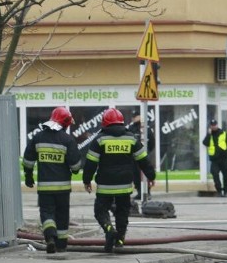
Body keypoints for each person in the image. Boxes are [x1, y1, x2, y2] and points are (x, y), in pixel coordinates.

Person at [83, 108, 156, 252]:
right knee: (122, 213)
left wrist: (87, 180)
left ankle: (109, 229)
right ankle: (120, 240)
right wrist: (151, 176)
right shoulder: (131, 139)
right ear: (122, 122)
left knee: (100, 211)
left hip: (105, 185)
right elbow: (144, 160)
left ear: (105, 123)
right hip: (124, 185)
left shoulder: (100, 139)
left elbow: (91, 163)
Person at [22, 106, 82, 253]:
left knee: (47, 213)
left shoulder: (38, 137)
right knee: (62, 215)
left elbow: (28, 161)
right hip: (63, 189)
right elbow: (75, 167)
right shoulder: (67, 140)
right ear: (65, 123)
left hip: (45, 188)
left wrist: (29, 177)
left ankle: (50, 237)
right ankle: (61, 245)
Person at [127, 110, 155, 200]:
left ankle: (147, 192)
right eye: (134, 117)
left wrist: (147, 152)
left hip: (144, 155)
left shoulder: (146, 128)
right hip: (134, 156)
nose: (134, 118)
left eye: (136, 116)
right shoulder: (131, 128)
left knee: (146, 174)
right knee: (136, 175)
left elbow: (152, 142)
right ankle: (139, 192)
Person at [202, 118, 227, 197]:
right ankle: (219, 190)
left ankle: (226, 191)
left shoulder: (223, 133)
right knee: (215, 174)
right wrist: (208, 134)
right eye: (212, 125)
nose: (213, 127)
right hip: (214, 159)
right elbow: (205, 143)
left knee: (226, 175)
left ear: (217, 125)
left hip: (223, 158)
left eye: (214, 125)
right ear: (210, 126)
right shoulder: (210, 134)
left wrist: (225, 150)